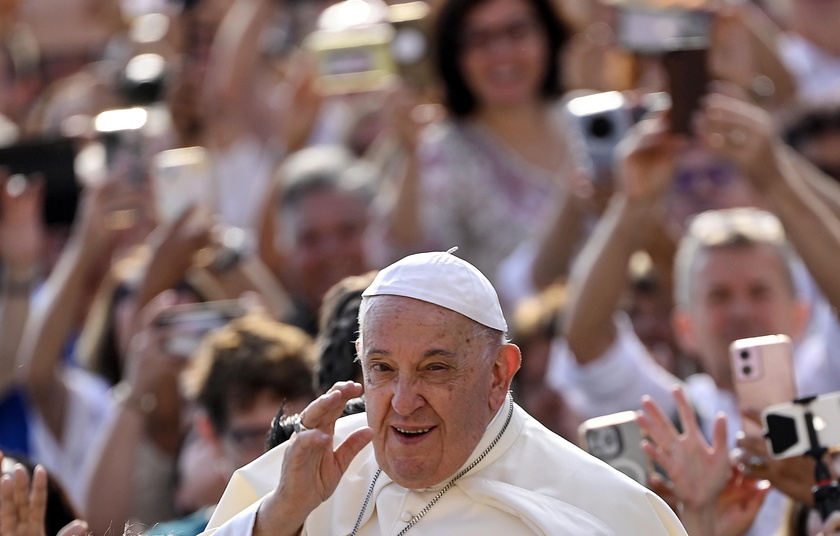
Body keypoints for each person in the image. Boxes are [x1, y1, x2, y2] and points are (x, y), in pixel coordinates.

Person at [199, 250, 687, 535]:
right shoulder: (306, 476)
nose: (404, 400)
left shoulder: (600, 510)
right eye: (383, 369)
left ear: (499, 373)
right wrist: (280, 517)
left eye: (435, 369)